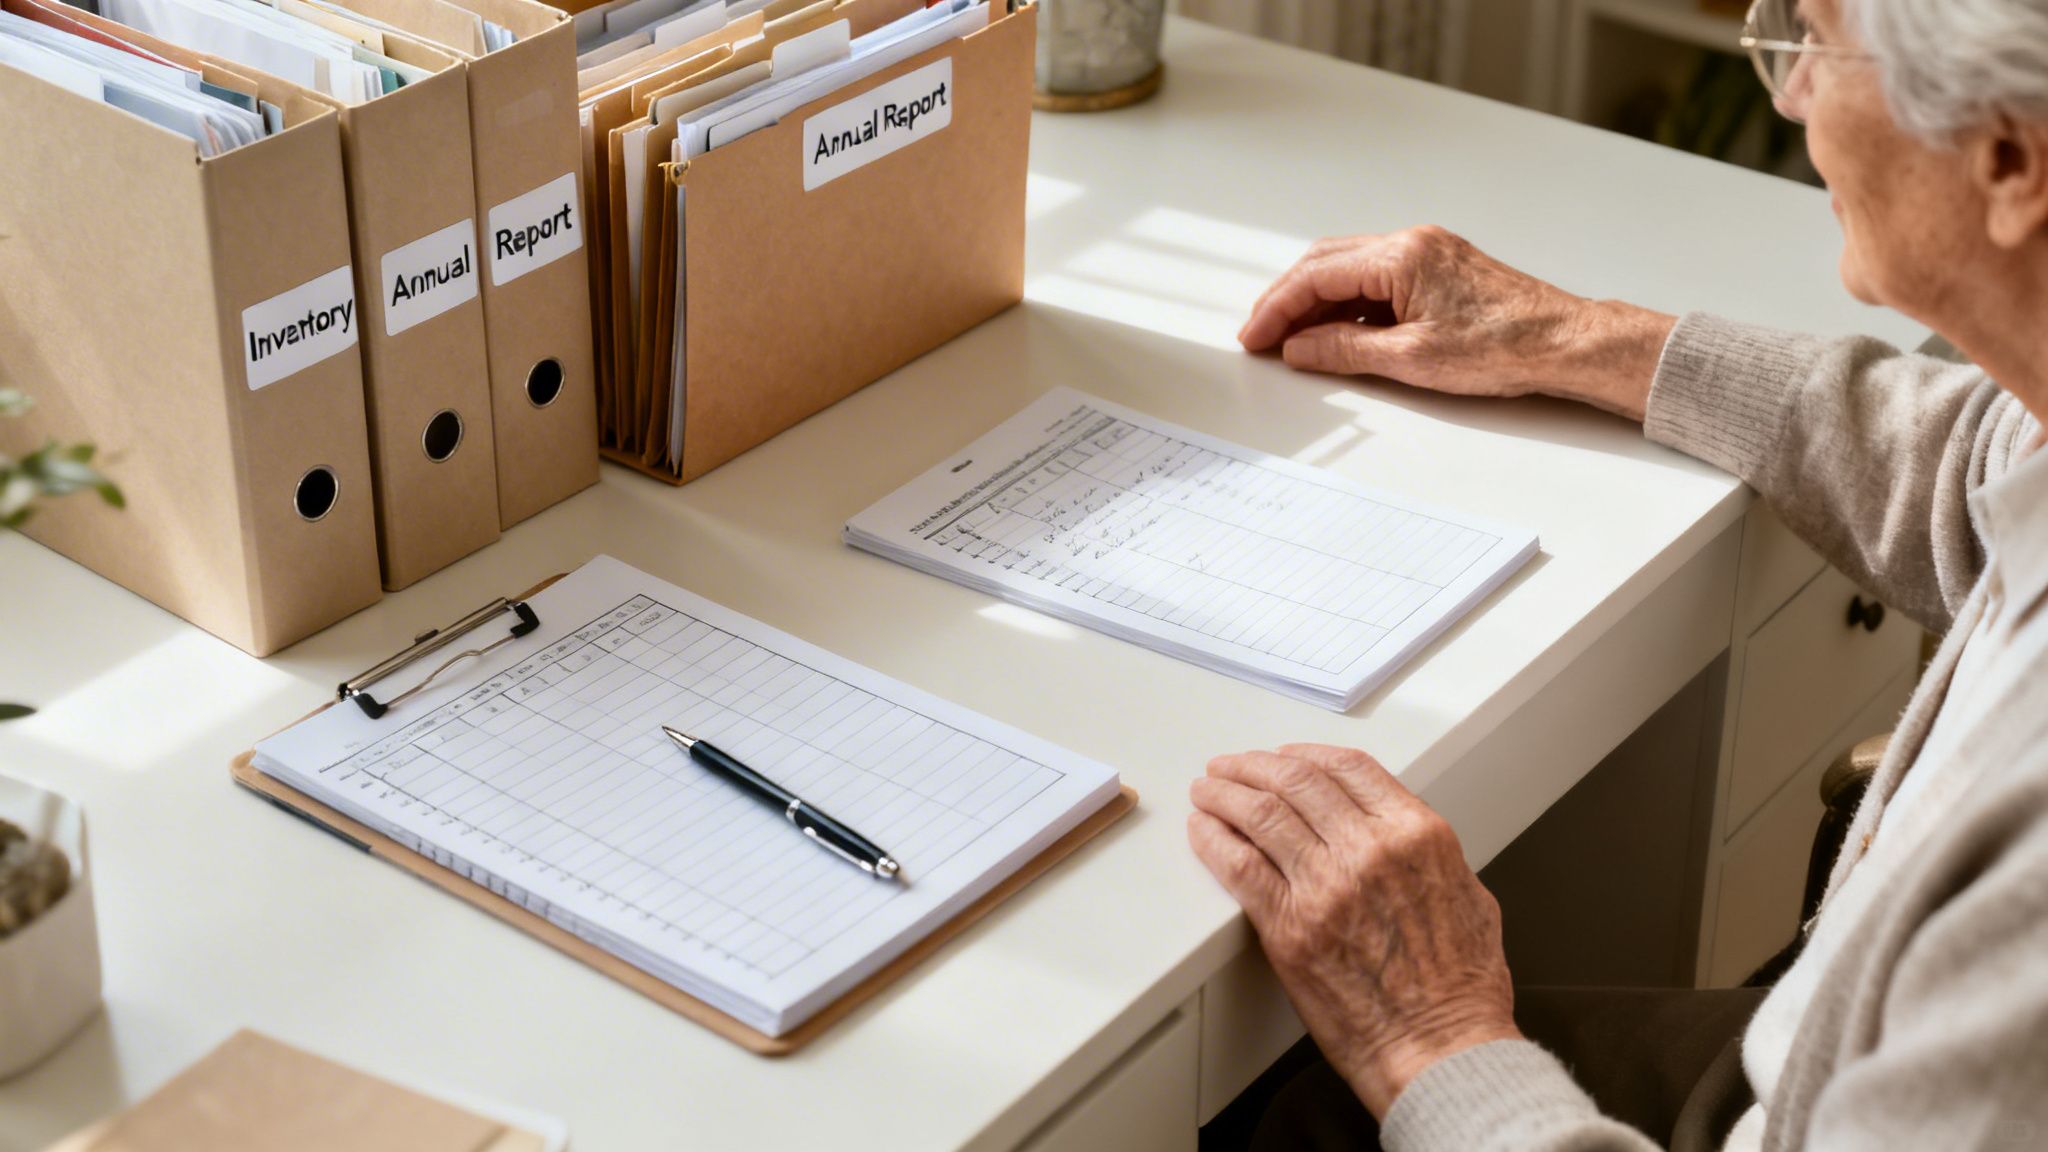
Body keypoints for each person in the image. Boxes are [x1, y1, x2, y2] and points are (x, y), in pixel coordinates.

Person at [1185, 0, 2048, 1148]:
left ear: (2007, 157)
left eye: (1819, 45)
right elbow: (1987, 457)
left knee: (1294, 1116)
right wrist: (1568, 336)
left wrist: (1432, 1037)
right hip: (1832, 1042)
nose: (1785, 94)